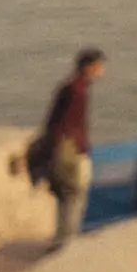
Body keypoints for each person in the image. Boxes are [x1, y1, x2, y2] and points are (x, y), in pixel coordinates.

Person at [38, 48, 105, 250]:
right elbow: (69, 123)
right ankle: (67, 242)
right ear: (89, 67)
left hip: (64, 148)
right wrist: (78, 148)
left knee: (66, 196)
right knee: (75, 195)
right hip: (71, 151)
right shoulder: (77, 90)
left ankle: (61, 239)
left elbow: (53, 120)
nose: (102, 71)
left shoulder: (72, 86)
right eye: (99, 66)